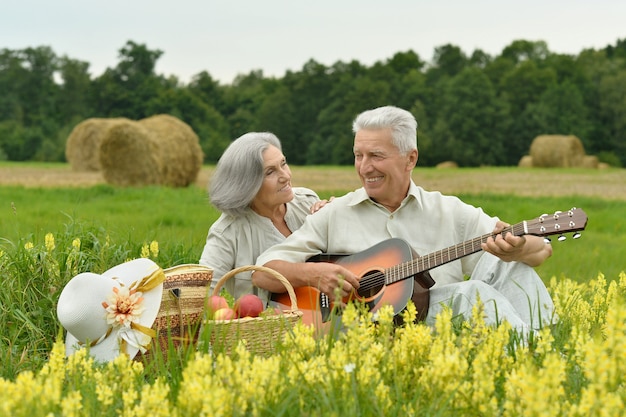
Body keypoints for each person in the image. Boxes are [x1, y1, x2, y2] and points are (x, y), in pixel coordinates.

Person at [253, 105, 555, 335]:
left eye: (376, 155)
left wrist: (518, 249)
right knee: (471, 294)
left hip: (435, 324)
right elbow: (263, 272)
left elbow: (541, 250)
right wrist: (312, 274)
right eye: (358, 155)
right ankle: (542, 361)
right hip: (363, 332)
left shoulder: (448, 210)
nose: (365, 167)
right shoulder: (335, 213)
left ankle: (549, 347)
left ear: (410, 158)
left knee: (510, 264)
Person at [199, 132, 328, 303]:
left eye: (284, 163)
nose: (286, 176)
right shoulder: (226, 233)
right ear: (246, 185)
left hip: (325, 318)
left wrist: (335, 216)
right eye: (270, 172)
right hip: (269, 327)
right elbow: (201, 296)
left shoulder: (308, 202)